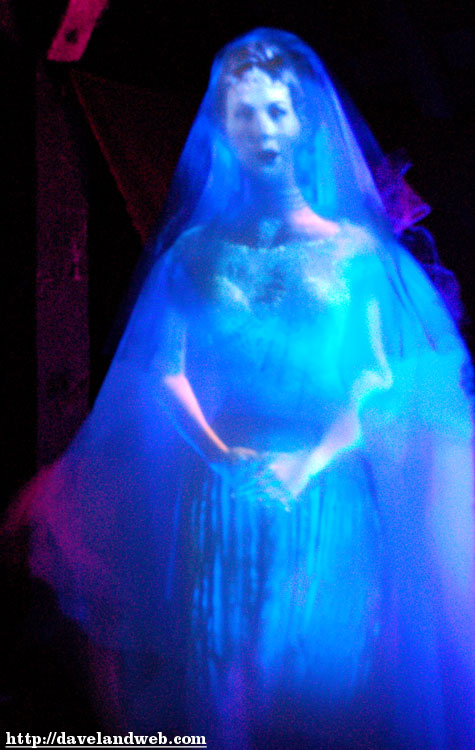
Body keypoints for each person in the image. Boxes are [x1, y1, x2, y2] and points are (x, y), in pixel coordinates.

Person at [6, 28, 474, 748]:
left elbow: (376, 378)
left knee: (325, 682)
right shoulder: (194, 252)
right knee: (223, 683)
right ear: (223, 125)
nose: (262, 128)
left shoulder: (354, 252)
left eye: (276, 110)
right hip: (220, 495)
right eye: (244, 111)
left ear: (304, 121)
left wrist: (309, 462)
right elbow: (163, 368)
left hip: (324, 493)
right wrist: (221, 456)